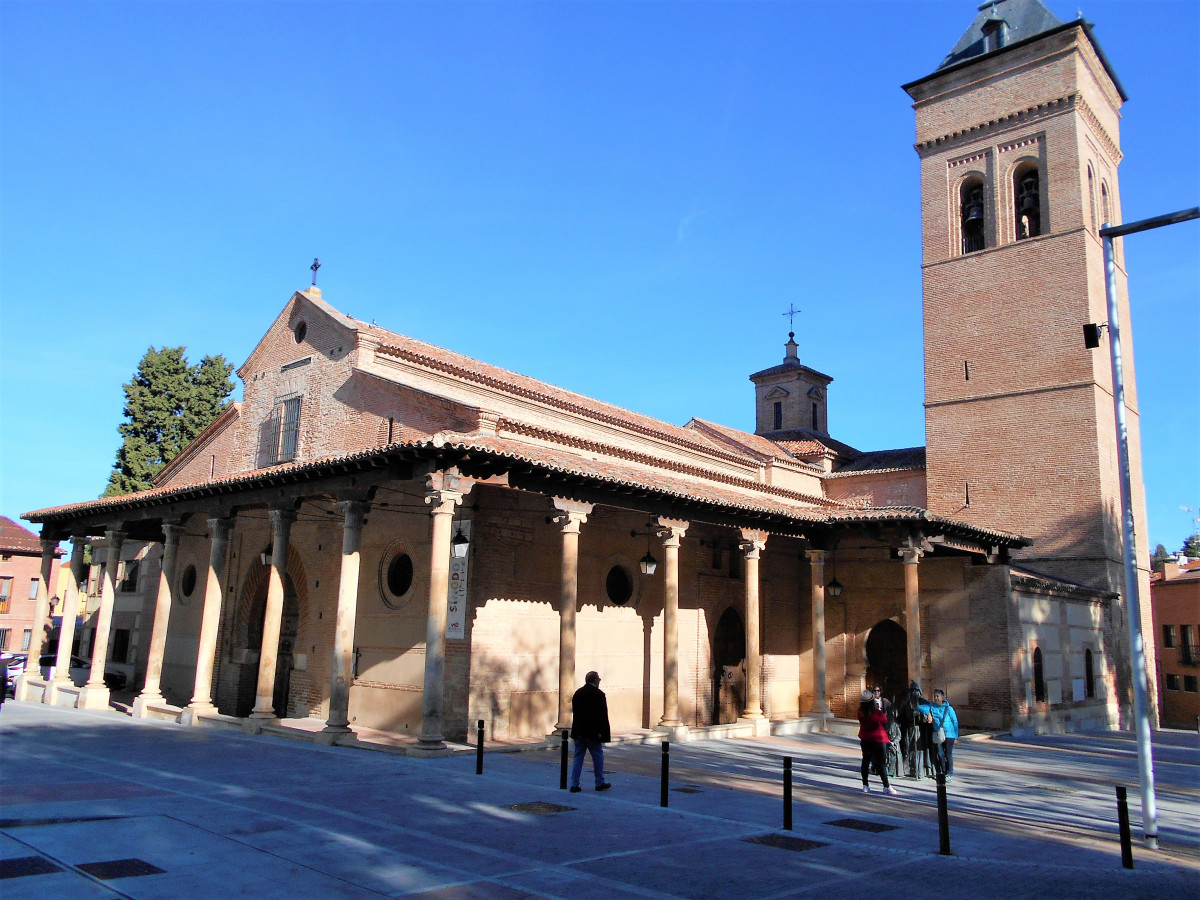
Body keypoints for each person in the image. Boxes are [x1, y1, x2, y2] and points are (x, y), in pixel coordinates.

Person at [569, 671, 612, 793]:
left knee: (578, 757)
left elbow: (575, 712)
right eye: (598, 679)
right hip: (593, 733)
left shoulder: (578, 693)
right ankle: (599, 782)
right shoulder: (599, 695)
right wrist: (603, 734)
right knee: (597, 757)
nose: (599, 681)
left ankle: (574, 784)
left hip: (579, 732)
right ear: (594, 680)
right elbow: (602, 716)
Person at [857, 689, 897, 795]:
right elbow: (884, 720)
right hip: (879, 740)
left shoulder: (860, 712)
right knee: (881, 764)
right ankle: (886, 786)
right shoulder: (877, 713)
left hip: (865, 739)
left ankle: (865, 785)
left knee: (865, 762)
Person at [919, 689, 960, 779]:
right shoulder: (931, 706)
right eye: (935, 696)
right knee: (940, 754)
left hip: (949, 734)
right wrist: (928, 713)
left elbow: (955, 721)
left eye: (938, 696)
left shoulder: (948, 708)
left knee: (948, 754)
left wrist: (956, 735)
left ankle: (950, 773)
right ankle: (943, 771)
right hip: (938, 734)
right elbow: (920, 707)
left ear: (942, 698)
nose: (936, 698)